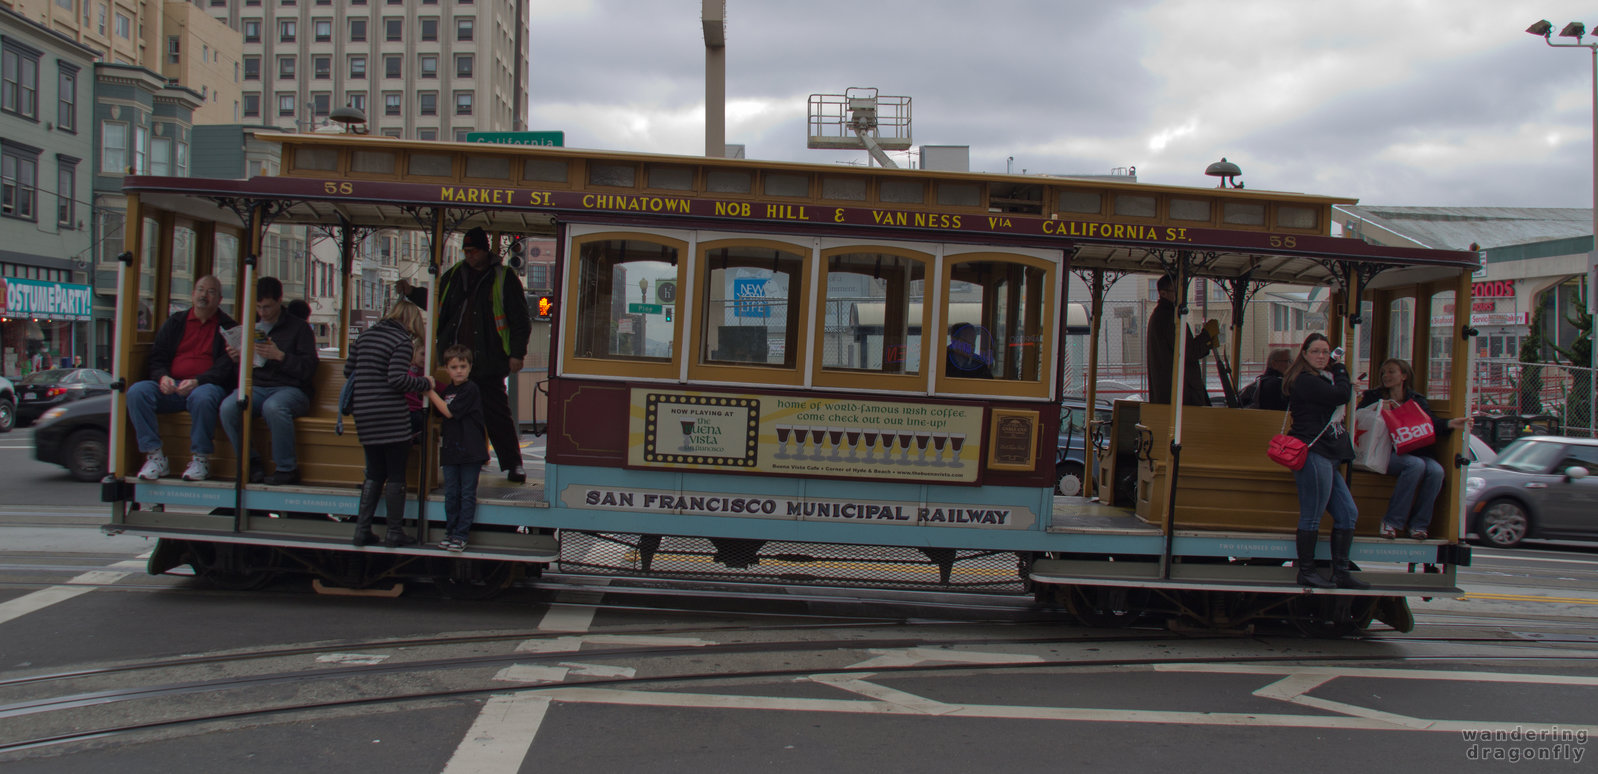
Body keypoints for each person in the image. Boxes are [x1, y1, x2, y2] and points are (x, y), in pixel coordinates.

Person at [400, 226, 531, 482]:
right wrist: (411, 292)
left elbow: (519, 319)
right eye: (466, 251)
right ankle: (468, 458)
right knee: (459, 412)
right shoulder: (453, 276)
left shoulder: (504, 277)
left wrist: (517, 353)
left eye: (473, 251)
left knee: (496, 412)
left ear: (485, 251)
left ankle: (513, 463)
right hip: (457, 359)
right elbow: (437, 302)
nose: (469, 255)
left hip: (490, 358)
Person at [127, 275, 237, 481]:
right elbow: (157, 358)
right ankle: (155, 456)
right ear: (193, 294)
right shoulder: (175, 322)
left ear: (220, 299)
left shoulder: (228, 327)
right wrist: (162, 378)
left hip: (206, 386)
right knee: (137, 392)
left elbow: (225, 367)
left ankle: (200, 459)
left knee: (203, 397)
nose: (204, 295)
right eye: (200, 290)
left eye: (211, 291)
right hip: (173, 386)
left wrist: (198, 381)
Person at [345, 299, 435, 547]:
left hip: (364, 414)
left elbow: (348, 371)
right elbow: (397, 379)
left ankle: (361, 531)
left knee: (374, 471)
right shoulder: (401, 342)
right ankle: (394, 532)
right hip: (391, 415)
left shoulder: (364, 337)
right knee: (396, 473)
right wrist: (425, 383)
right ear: (410, 320)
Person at [1282, 333, 1366, 590]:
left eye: (1325, 352)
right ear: (1304, 354)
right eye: (1316, 351)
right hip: (1314, 453)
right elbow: (1340, 395)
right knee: (1312, 516)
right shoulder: (1305, 380)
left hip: (1328, 453)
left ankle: (1340, 571)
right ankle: (1306, 572)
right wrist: (1340, 367)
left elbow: (1338, 397)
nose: (1322, 356)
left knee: (1348, 513)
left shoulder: (1320, 379)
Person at [219, 277, 320, 485]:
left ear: (279, 301)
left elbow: (308, 369)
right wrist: (239, 358)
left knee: (274, 407)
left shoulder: (300, 329)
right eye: (258, 308)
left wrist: (280, 356)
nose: (262, 313)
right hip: (257, 386)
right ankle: (250, 461)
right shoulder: (252, 327)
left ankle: (287, 468)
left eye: (267, 307)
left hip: (291, 389)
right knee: (229, 407)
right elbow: (247, 370)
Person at [1358, 358, 1470, 540]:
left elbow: (1430, 423)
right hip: (1384, 452)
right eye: (1383, 372)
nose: (1386, 376)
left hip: (1414, 450)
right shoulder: (1373, 396)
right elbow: (1360, 418)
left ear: (1403, 375)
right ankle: (1391, 522)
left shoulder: (1416, 400)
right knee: (1415, 465)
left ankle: (1419, 525)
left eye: (1391, 371)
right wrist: (1377, 409)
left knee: (1436, 471)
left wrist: (1450, 423)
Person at [435, 344, 487, 552]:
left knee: (466, 493)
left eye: (463, 366)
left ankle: (461, 534)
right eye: (454, 367)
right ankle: (451, 531)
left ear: (470, 367)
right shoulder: (448, 391)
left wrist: (430, 392)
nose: (459, 371)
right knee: (451, 493)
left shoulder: (470, 389)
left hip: (470, 451)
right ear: (447, 369)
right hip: (451, 450)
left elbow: (448, 412)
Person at [1146, 274, 1215, 406]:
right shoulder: (1170, 319)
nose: (1181, 295)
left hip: (1170, 393)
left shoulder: (1161, 315)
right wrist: (1207, 335)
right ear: (1163, 293)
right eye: (1177, 291)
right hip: (1183, 396)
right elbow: (1189, 352)